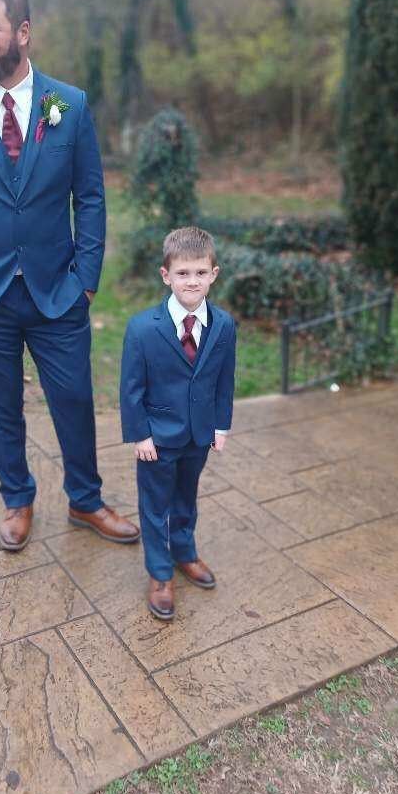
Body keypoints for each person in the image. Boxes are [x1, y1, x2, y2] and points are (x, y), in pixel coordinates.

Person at [0, 0, 139, 551]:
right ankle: (17, 499)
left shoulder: (68, 104)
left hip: (57, 290)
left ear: (23, 33)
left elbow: (89, 197)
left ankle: (85, 500)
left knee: (73, 398)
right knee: (0, 405)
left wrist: (85, 280)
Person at [119, 226, 236, 621]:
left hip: (198, 436)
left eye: (200, 273)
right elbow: (131, 388)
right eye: (183, 273)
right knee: (155, 506)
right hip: (157, 439)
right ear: (166, 275)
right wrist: (140, 433)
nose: (192, 281)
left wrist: (221, 427)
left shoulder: (223, 326)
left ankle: (184, 552)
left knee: (186, 498)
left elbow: (224, 380)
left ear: (213, 275)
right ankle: (159, 572)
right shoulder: (142, 328)